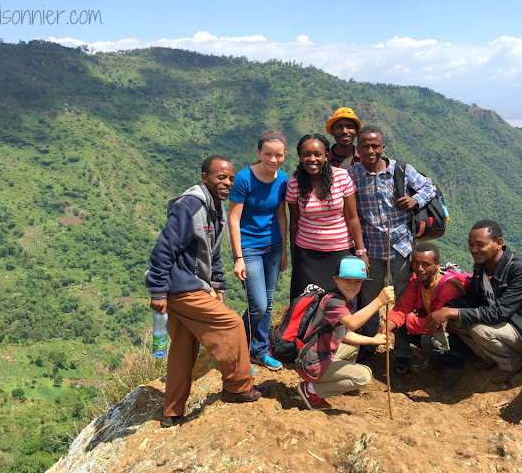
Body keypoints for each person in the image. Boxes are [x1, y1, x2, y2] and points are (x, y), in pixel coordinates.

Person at [146, 155, 270, 428]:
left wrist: (218, 284)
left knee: (183, 349)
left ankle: (172, 412)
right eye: (220, 177)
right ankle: (238, 386)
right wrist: (157, 290)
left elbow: (212, 252)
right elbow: (164, 248)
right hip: (182, 288)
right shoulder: (190, 206)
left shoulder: (216, 207)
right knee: (232, 323)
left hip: (189, 287)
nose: (227, 182)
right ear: (205, 178)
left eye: (230, 178)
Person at [427, 220, 522, 383]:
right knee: (454, 321)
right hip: (506, 324)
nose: (474, 250)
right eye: (471, 245)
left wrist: (452, 312)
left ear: (499, 243)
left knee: (480, 330)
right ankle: (492, 357)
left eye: (480, 245)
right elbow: (473, 298)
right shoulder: (481, 267)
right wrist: (447, 310)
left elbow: (499, 312)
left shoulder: (519, 270)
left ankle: (512, 362)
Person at [348, 125, 436, 365]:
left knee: (403, 302)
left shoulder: (401, 170)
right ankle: (369, 345)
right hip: (371, 251)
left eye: (375, 145)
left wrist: (414, 199)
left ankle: (402, 352)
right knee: (370, 301)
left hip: (402, 249)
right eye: (365, 145)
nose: (370, 150)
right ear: (358, 148)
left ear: (383, 147)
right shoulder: (352, 174)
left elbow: (430, 186)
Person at [296, 256, 395, 410]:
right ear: (336, 279)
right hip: (312, 363)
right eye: (347, 280)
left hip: (314, 355)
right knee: (364, 377)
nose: (352, 286)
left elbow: (345, 334)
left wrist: (373, 340)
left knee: (353, 348)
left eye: (357, 282)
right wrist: (379, 301)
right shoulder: (334, 302)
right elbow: (353, 323)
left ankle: (328, 380)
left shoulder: (341, 298)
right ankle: (311, 390)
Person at [228, 131, 289, 371]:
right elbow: (234, 219)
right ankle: (239, 351)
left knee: (269, 302)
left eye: (278, 155)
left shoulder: (282, 179)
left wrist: (284, 250)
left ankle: (259, 350)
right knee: (259, 305)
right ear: (258, 153)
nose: (273, 160)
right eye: (268, 154)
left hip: (273, 246)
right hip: (249, 247)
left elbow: (281, 215)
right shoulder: (244, 179)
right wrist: (238, 257)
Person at [286, 134, 369, 300]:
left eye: (317, 154)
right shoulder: (294, 184)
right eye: (306, 154)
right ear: (300, 157)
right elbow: (294, 222)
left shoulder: (341, 177)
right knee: (308, 303)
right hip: (308, 254)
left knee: (341, 301)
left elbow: (352, 218)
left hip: (341, 252)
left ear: (326, 155)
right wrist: (294, 255)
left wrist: (361, 252)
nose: (312, 159)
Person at [381, 242, 473, 386]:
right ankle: (435, 358)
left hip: (456, 338)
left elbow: (438, 326)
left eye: (426, 264)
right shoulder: (417, 282)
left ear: (437, 265)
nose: (419, 269)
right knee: (399, 325)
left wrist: (409, 320)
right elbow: (403, 307)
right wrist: (385, 329)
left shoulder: (449, 287)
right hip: (432, 330)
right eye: (415, 263)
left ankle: (454, 364)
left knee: (426, 340)